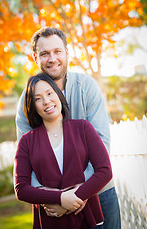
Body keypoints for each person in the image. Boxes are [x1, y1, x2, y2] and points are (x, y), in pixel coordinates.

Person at [16, 27, 121, 229]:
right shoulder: (27, 102)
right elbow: (26, 159)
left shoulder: (87, 87)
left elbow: (102, 141)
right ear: (35, 58)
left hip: (100, 191)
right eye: (44, 53)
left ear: (67, 53)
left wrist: (78, 193)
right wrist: (58, 197)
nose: (52, 58)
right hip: (53, 204)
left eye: (57, 51)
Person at [14, 73, 112, 229]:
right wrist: (59, 198)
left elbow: (105, 171)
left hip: (87, 217)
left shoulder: (83, 128)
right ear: (32, 106)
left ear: (58, 95)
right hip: (50, 220)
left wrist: (71, 200)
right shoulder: (27, 141)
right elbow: (21, 189)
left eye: (49, 93)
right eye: (38, 98)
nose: (47, 101)